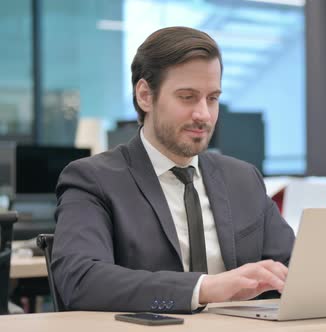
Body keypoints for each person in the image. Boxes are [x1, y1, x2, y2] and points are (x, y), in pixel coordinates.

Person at [52, 26, 295, 314]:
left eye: (212, 98)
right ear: (145, 96)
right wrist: (203, 289)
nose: (203, 114)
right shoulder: (93, 179)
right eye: (187, 97)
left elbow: (296, 268)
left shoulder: (242, 178)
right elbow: (81, 281)